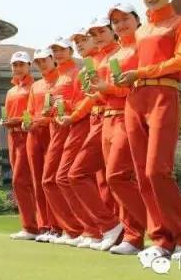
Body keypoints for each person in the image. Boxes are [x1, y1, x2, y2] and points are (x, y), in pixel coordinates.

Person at [117, 0, 181, 261]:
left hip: (164, 95)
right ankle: (161, 240)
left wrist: (140, 72)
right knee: (142, 175)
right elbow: (132, 67)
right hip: (135, 100)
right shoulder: (140, 32)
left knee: (157, 171)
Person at [87, 2, 147, 255]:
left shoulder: (142, 46)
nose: (120, 25)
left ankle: (154, 229)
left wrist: (107, 89)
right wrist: (98, 91)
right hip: (108, 119)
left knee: (117, 176)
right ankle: (132, 237)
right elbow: (109, 94)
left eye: (125, 19)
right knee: (115, 180)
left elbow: (132, 89)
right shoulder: (115, 56)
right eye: (116, 21)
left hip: (127, 116)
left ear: (137, 20)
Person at [67, 18, 123, 250]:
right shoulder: (92, 64)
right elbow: (95, 97)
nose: (81, 44)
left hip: (114, 117)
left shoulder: (115, 55)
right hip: (97, 119)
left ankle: (114, 228)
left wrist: (74, 115)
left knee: (110, 178)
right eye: (77, 41)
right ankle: (109, 229)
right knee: (102, 180)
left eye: (85, 39)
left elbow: (117, 90)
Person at [47, 32, 101, 246]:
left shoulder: (78, 72)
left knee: (71, 177)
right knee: (63, 178)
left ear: (70, 52)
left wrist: (67, 109)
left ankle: (92, 229)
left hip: (82, 124)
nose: (58, 53)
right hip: (67, 125)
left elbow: (84, 102)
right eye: (55, 50)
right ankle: (85, 229)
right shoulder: (61, 77)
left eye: (62, 49)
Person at [23, 48, 62, 242]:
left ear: (53, 59)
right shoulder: (36, 86)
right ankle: (44, 225)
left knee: (52, 180)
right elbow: (30, 111)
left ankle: (58, 226)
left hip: (53, 132)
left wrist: (44, 120)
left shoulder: (62, 80)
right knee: (38, 182)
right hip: (34, 135)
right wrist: (26, 123)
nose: (41, 64)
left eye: (44, 60)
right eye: (37, 62)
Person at [3, 51, 38, 240]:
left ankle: (32, 227)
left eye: (22, 64)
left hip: (28, 135)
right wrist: (7, 122)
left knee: (21, 181)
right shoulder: (11, 91)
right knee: (21, 183)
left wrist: (18, 120)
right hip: (13, 137)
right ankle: (32, 226)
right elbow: (9, 115)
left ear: (29, 66)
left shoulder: (34, 87)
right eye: (15, 65)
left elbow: (35, 113)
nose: (18, 68)